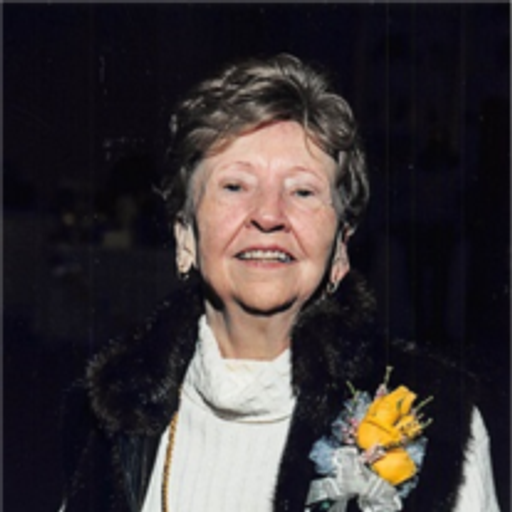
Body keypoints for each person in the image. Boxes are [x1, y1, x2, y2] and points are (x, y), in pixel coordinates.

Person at [58, 54, 500, 512]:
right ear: (185, 234)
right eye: (235, 186)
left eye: (302, 191)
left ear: (341, 247)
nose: (269, 215)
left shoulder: (442, 424)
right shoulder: (111, 411)